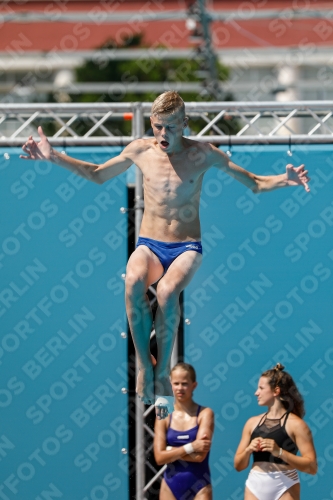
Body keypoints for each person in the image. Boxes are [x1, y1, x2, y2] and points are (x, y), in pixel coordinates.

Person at [20, 91, 311, 418]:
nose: (162, 135)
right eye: (157, 127)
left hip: (187, 246)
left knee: (169, 290)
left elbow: (254, 183)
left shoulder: (204, 154)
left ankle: (162, 373)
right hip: (151, 244)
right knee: (132, 281)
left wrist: (285, 181)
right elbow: (98, 174)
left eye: (170, 128)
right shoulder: (141, 150)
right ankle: (146, 364)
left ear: (185, 124)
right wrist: (53, 156)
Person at [234, 363, 317, 500]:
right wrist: (248, 450)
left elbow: (312, 467)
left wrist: (279, 452)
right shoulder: (251, 423)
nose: (256, 393)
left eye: (261, 388)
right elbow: (238, 466)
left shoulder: (297, 425)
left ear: (276, 391)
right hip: (255, 485)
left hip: (285, 485)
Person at [154, 363, 214, 500]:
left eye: (185, 384)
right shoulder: (164, 415)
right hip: (170, 486)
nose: (180, 388)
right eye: (176, 383)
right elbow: (159, 458)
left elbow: (200, 457)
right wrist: (191, 447)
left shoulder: (205, 414)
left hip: (200, 485)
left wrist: (169, 450)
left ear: (194, 385)